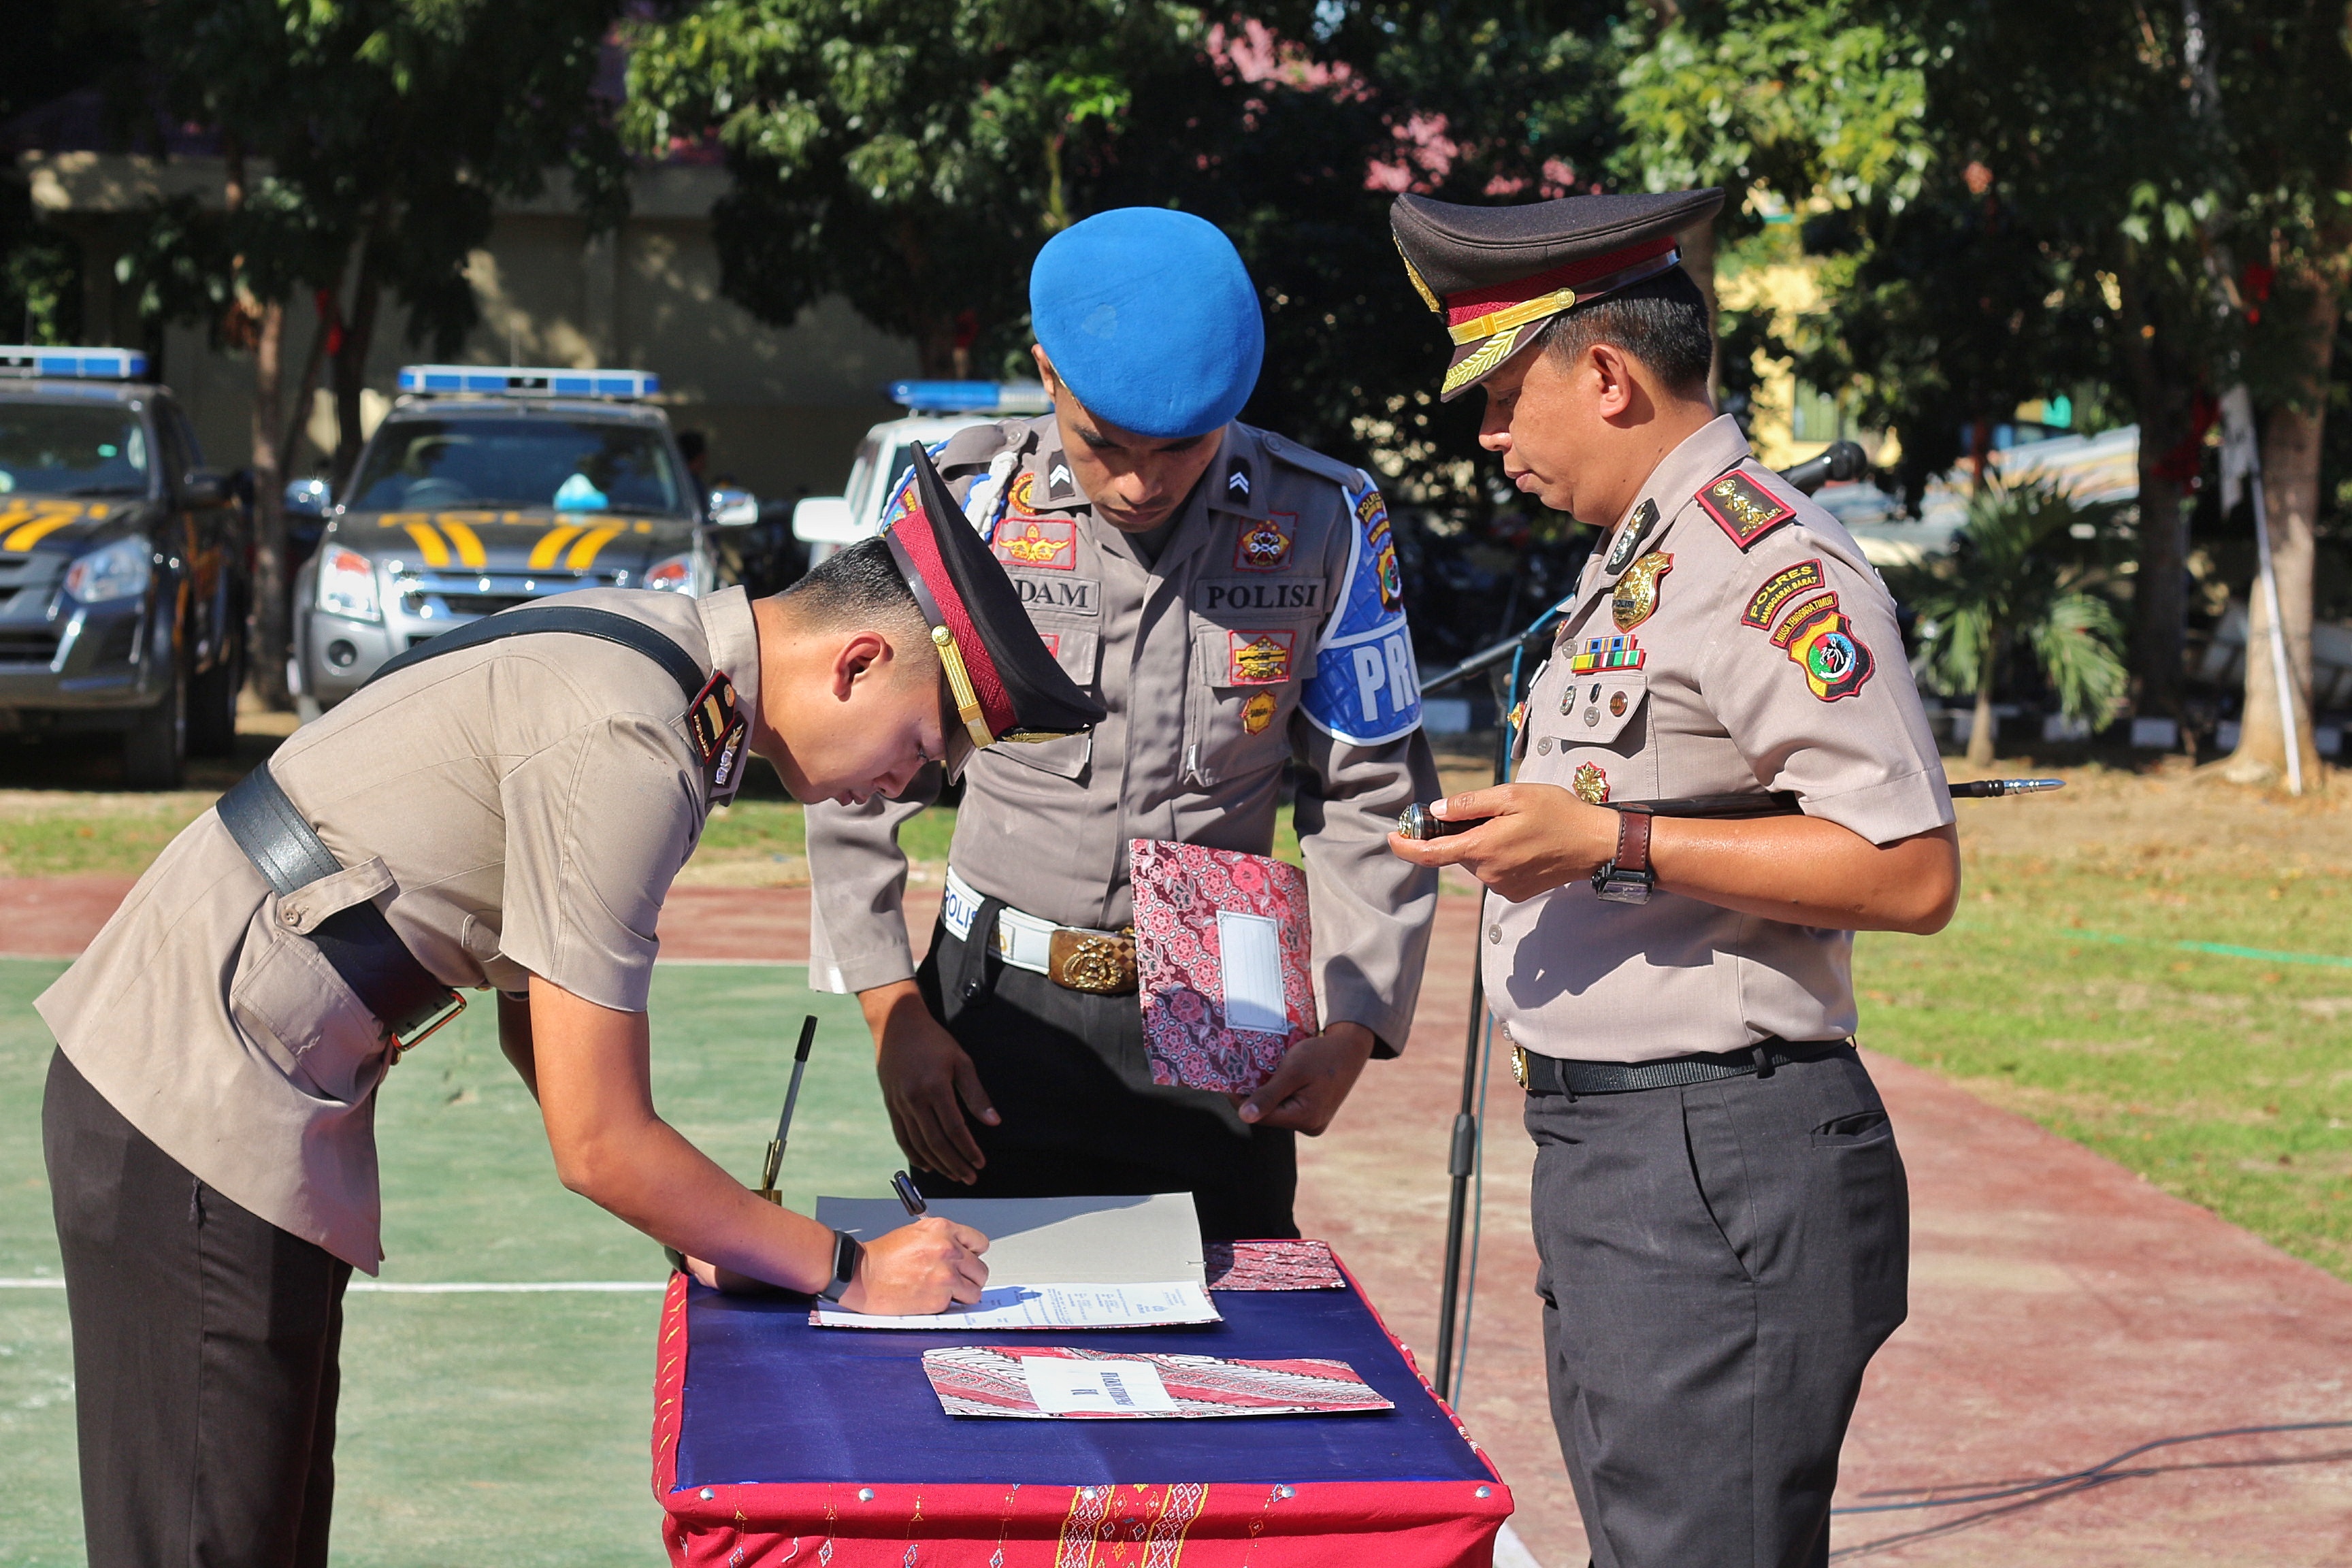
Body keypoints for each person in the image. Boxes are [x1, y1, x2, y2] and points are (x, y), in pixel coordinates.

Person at [37, 447, 1101, 1568]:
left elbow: (525, 1016)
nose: (898, 793)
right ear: (860, 662)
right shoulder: (635, 738)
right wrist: (849, 1269)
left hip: (233, 1082)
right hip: (193, 1099)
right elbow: (597, 1143)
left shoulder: (662, 664)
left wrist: (722, 1232)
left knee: (260, 1530)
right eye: (920, 754)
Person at [1386, 188, 1961, 1568]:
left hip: (1712, 1158)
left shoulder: (1767, 563)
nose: (1491, 436)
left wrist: (1610, 844)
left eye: (1506, 395)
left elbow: (1910, 867)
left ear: (1604, 374)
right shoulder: (1642, 560)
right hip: (1634, 1155)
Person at [806, 207, 1441, 1240]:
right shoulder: (969, 511)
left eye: (1183, 447)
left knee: (1226, 1346)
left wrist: (1358, 1023)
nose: (1142, 483)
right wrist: (892, 1010)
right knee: (991, 1341)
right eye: (1106, 445)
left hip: (1225, 1015)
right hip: (995, 1018)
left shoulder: (1324, 524)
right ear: (1047, 372)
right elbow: (853, 769)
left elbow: (1374, 792)